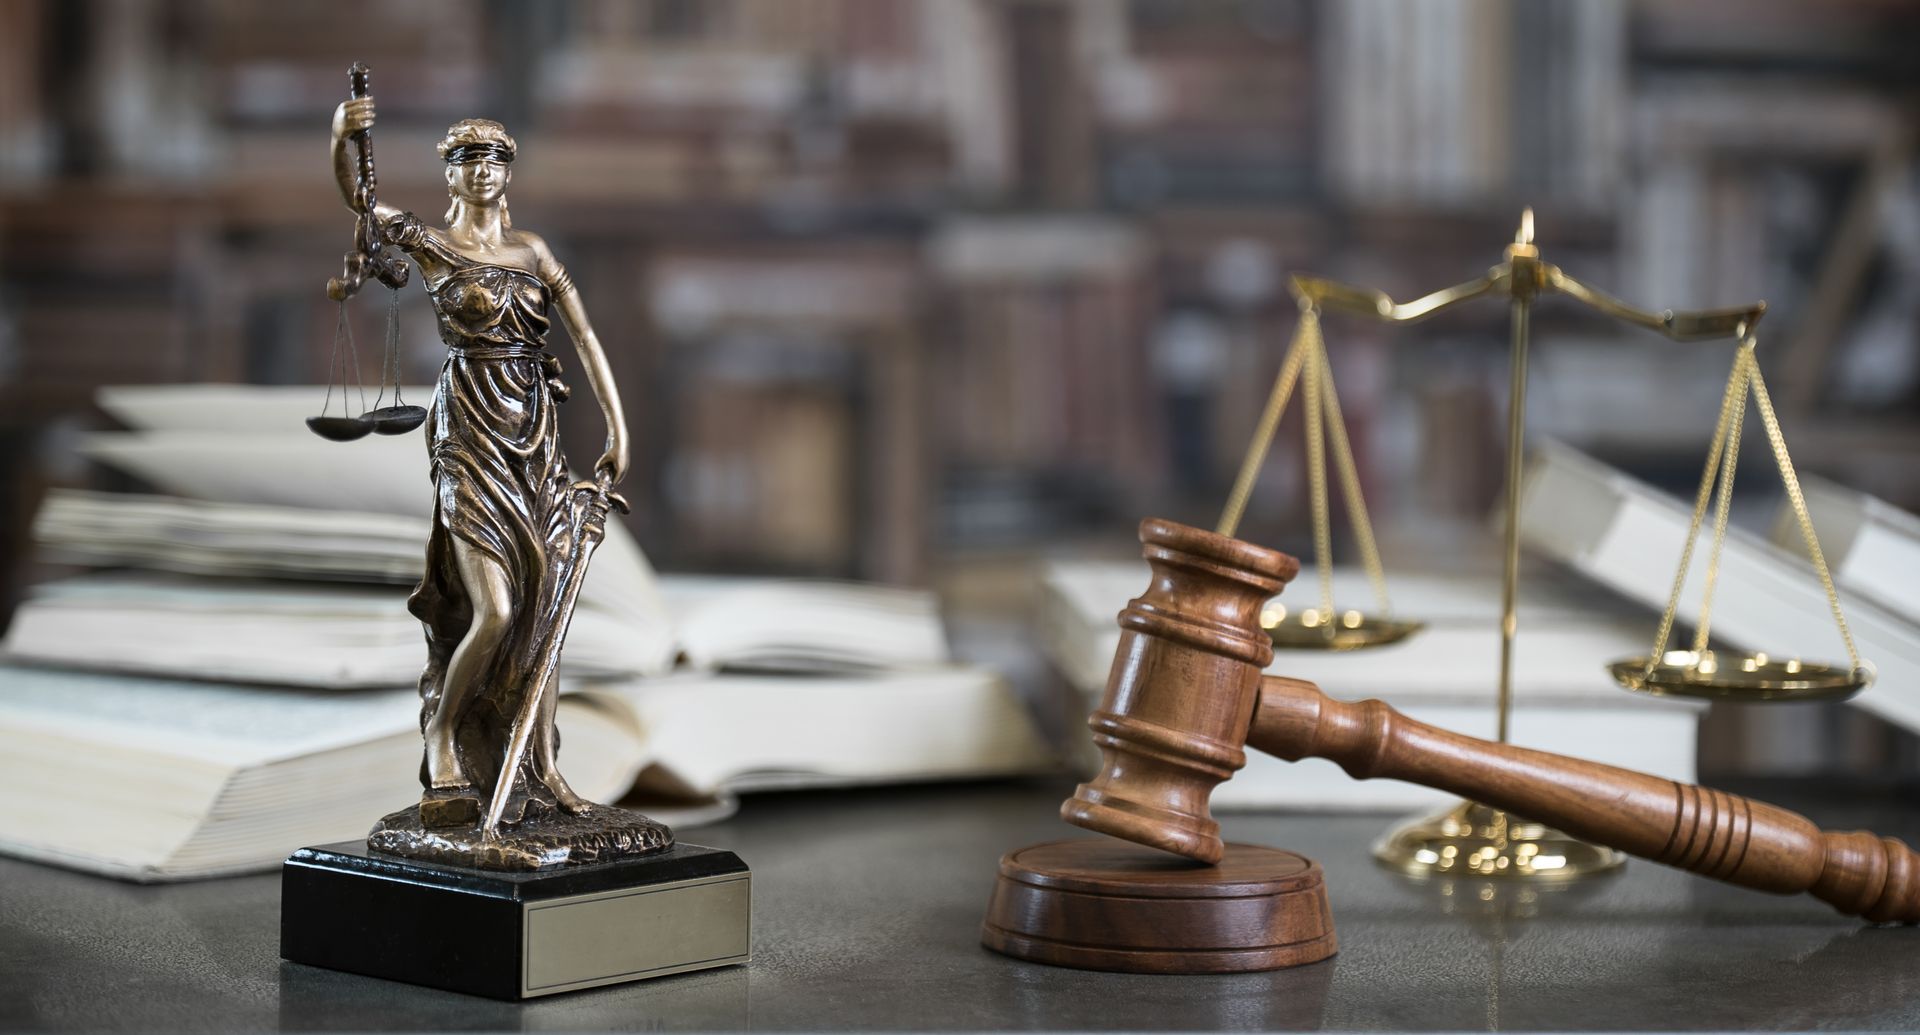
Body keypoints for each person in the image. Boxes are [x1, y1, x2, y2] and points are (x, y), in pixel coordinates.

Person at [331, 96, 628, 824]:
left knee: (541, 608)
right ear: (449, 172)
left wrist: (618, 428)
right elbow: (363, 205)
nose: (483, 168)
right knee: (494, 609)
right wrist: (344, 133)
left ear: (509, 171)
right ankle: (442, 739)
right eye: (467, 158)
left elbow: (586, 338)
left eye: (495, 157)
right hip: (467, 430)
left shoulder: (533, 252)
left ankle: (546, 767)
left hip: (536, 437)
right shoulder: (431, 245)